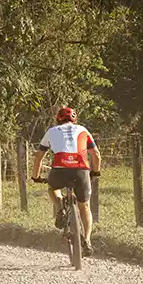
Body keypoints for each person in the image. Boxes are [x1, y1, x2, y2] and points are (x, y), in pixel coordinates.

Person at [31, 107, 101, 257]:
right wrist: (95, 172)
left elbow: (39, 157)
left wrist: (35, 177)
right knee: (85, 206)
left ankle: (60, 207)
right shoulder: (83, 130)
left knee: (53, 188)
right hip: (81, 170)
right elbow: (96, 154)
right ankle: (87, 240)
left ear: (58, 119)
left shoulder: (51, 131)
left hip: (59, 170)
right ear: (75, 119)